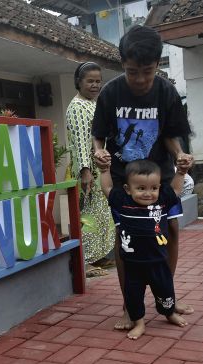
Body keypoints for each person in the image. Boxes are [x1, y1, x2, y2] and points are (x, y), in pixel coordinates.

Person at [92, 25, 194, 329]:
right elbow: (99, 137)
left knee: (170, 231)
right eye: (132, 71)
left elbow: (172, 135)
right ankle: (129, 306)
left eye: (146, 72)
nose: (139, 79)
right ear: (123, 64)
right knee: (126, 240)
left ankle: (167, 300)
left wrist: (179, 155)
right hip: (125, 177)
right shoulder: (111, 93)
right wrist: (99, 153)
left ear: (157, 66)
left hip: (159, 177)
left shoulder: (166, 92)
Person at [100, 158, 189, 339]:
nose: (148, 193)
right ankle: (139, 323)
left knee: (165, 290)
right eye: (141, 188)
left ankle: (169, 313)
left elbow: (177, 190)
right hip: (133, 264)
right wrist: (104, 171)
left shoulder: (162, 201)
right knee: (132, 296)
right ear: (127, 189)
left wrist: (180, 172)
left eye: (153, 188)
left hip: (159, 262)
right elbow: (107, 189)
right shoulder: (123, 202)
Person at [65, 61, 116, 277]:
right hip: (88, 171)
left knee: (103, 215)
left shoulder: (92, 104)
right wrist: (85, 172)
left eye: (98, 81)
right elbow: (78, 142)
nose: (95, 85)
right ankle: (83, 262)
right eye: (90, 81)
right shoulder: (77, 107)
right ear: (79, 82)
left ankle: (99, 256)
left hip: (99, 169)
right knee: (88, 218)